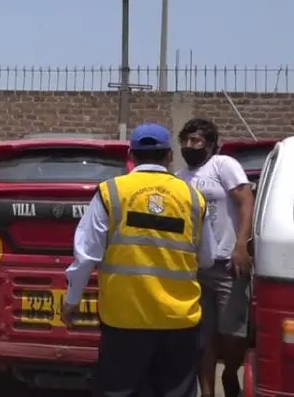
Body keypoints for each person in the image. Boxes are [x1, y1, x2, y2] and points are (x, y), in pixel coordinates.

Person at [62, 123, 217, 397]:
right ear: (169, 156)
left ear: (131, 155)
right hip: (179, 322)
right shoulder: (193, 198)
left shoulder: (111, 192)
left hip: (125, 321)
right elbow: (207, 259)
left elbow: (86, 256)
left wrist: (71, 301)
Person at [175, 118, 255, 397]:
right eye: (185, 141)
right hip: (196, 268)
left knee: (232, 334)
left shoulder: (223, 166)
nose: (189, 146)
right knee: (203, 336)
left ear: (210, 144)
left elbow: (246, 202)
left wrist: (242, 245)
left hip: (228, 264)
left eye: (195, 141)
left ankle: (231, 372)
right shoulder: (180, 178)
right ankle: (207, 391)